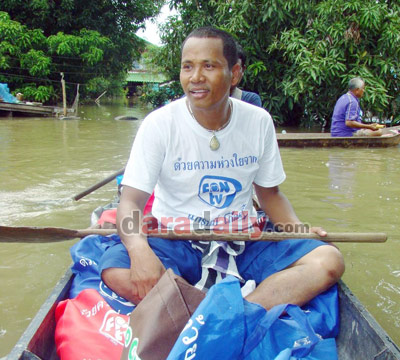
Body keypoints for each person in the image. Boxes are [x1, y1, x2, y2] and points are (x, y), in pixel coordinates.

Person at [99, 26, 344, 311]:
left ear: (235, 73)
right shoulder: (159, 124)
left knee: (328, 261)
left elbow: (270, 196)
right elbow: (130, 202)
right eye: (187, 66)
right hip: (176, 239)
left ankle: (224, 313)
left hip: (243, 239)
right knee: (115, 269)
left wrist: (298, 230)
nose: (195, 77)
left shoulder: (258, 121)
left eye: (209, 66)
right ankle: (226, 310)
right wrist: (139, 250)